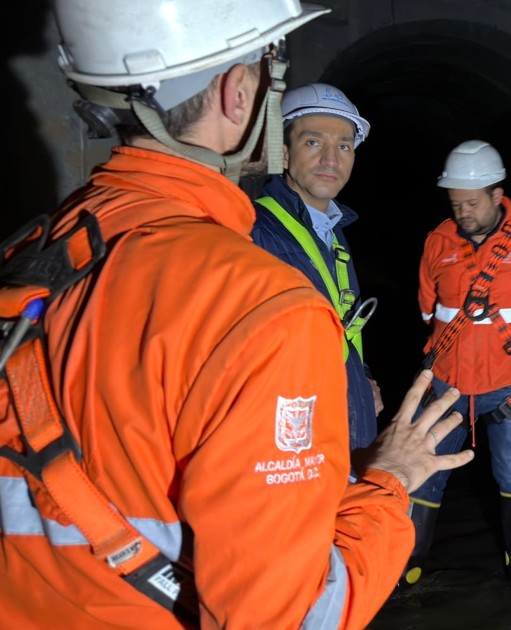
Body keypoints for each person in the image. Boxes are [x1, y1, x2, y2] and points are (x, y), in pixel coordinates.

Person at [0, 1, 472, 627]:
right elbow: (289, 613)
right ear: (240, 89)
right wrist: (389, 483)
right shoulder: (258, 300)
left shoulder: (35, 252)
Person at [407, 140, 511, 587]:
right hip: (448, 386)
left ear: (498, 195)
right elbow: (429, 309)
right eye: (455, 202)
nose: (463, 211)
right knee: (423, 467)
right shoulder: (437, 242)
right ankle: (411, 559)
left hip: (509, 385)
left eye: (472, 202)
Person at [252, 82, 381, 451]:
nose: (331, 159)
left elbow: (339, 327)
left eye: (344, 146)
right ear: (283, 153)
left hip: (341, 426)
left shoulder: (333, 232)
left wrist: (361, 380)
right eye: (313, 142)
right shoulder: (255, 231)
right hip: (291, 441)